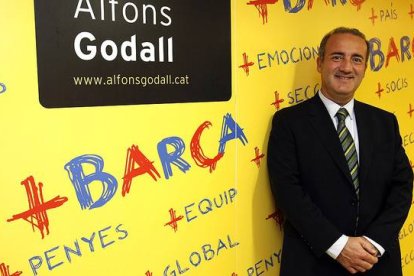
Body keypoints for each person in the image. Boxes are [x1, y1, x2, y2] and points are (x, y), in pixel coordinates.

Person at [267, 27, 413, 276]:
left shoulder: (385, 122)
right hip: (315, 263)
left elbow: (402, 186)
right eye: (337, 57)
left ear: (365, 68)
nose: (346, 67)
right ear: (319, 62)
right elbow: (288, 192)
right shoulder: (289, 122)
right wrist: (339, 246)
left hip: (376, 263)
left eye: (356, 59)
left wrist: (374, 244)